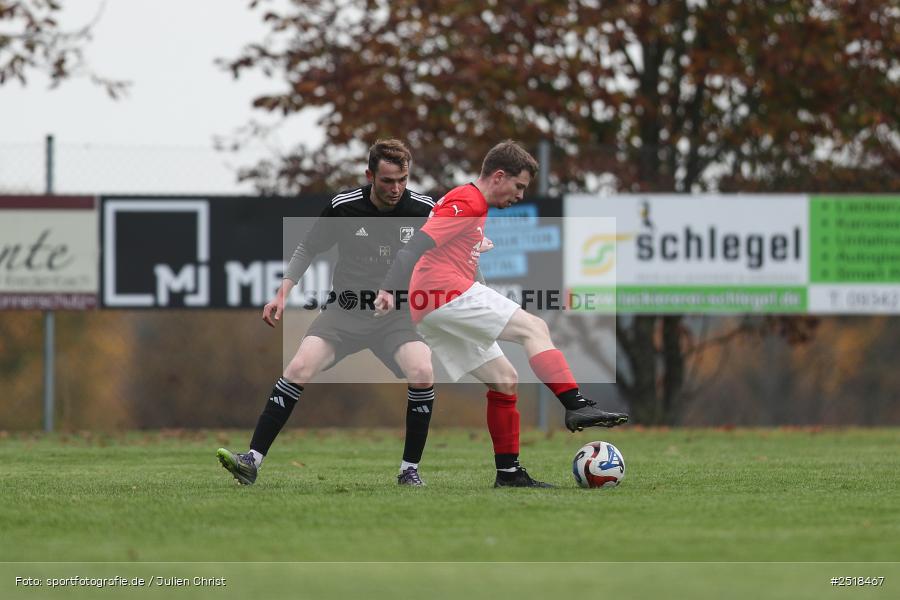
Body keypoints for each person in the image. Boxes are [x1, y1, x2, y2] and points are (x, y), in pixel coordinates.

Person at [375, 140, 629, 488]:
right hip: (441, 292)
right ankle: (576, 403)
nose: (520, 195)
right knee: (534, 328)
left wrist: (471, 246)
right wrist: (388, 289)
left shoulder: (471, 204)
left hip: (431, 305)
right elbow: (415, 245)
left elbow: (444, 243)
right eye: (518, 186)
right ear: (498, 176)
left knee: (504, 379)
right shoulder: (468, 200)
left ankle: (509, 474)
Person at [218, 139, 438, 487]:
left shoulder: (425, 209)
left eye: (402, 180)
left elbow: (455, 250)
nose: (396, 189)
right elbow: (307, 248)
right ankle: (251, 461)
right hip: (345, 311)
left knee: (422, 370)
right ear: (370, 176)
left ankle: (409, 470)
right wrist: (281, 294)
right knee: (298, 367)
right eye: (387, 181)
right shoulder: (343, 206)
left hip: (396, 316)